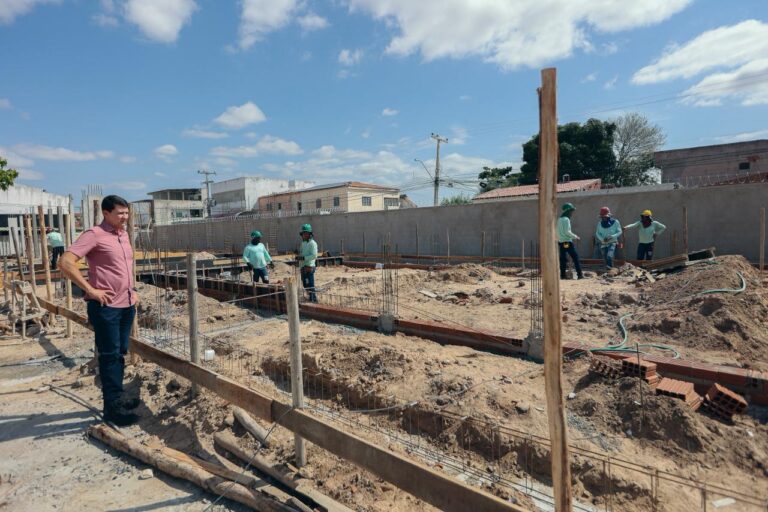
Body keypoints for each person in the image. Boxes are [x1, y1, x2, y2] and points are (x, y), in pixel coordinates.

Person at [58, 195, 140, 427]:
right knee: (110, 355)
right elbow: (65, 262)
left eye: (126, 213)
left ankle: (118, 397)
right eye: (120, 213)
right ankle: (112, 409)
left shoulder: (123, 234)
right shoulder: (94, 234)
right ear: (105, 213)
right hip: (106, 307)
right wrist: (91, 290)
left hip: (126, 304)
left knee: (119, 353)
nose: (125, 217)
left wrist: (132, 291)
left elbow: (122, 268)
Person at [557, 203, 584, 279]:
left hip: (561, 242)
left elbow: (557, 231)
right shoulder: (566, 219)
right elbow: (567, 232)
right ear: (568, 211)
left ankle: (562, 275)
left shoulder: (559, 219)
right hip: (567, 242)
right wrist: (576, 237)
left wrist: (559, 239)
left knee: (563, 259)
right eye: (571, 211)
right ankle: (580, 275)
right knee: (575, 257)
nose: (572, 213)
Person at [297, 223, 318, 302]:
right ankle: (310, 297)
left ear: (310, 234)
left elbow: (314, 255)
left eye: (306, 233)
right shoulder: (303, 243)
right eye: (303, 233)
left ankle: (313, 299)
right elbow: (302, 253)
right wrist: (299, 256)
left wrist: (304, 258)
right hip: (303, 266)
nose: (305, 235)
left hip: (309, 267)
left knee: (310, 285)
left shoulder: (313, 243)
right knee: (305, 284)